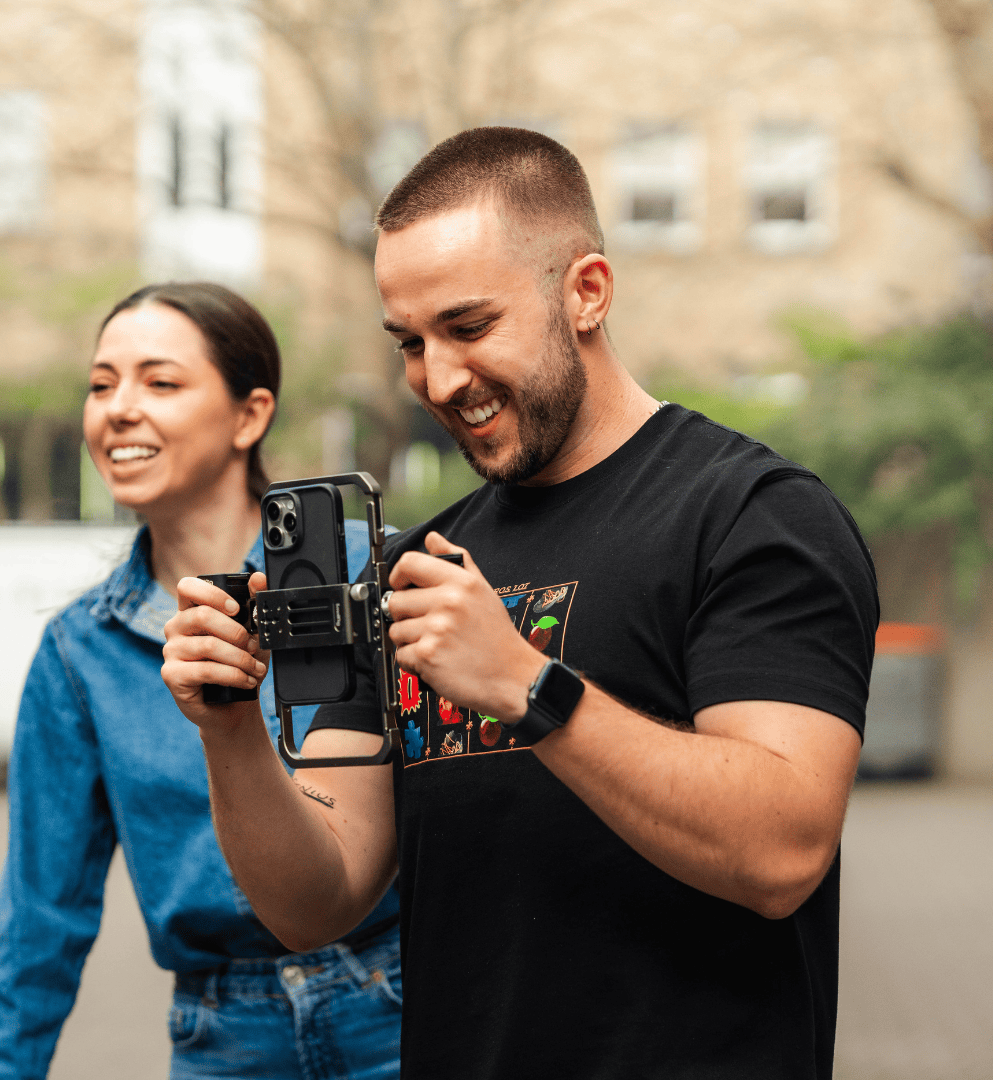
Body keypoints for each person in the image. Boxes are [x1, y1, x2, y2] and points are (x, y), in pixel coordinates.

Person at [161, 129, 879, 1080]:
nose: (439, 379)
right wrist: (228, 731)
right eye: (410, 343)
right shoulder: (416, 561)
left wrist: (526, 686)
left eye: (469, 326)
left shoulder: (753, 517)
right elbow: (316, 903)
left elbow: (784, 852)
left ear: (587, 291)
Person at [0, 282, 404, 1080]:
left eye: (160, 382)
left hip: (400, 1003)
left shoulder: (369, 578)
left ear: (249, 415)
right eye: (101, 385)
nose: (119, 409)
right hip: (226, 1037)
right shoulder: (78, 652)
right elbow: (38, 917)